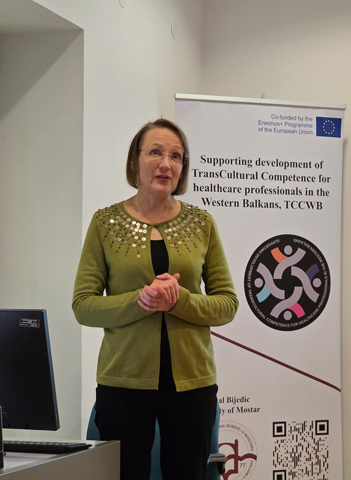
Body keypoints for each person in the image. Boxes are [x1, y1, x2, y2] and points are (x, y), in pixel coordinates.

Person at [72, 118, 238, 480]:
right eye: (156, 152)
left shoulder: (202, 223)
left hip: (192, 385)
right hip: (123, 383)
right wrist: (141, 300)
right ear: (134, 160)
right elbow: (84, 305)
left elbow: (227, 304)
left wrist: (179, 302)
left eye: (176, 156)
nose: (166, 164)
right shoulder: (105, 224)